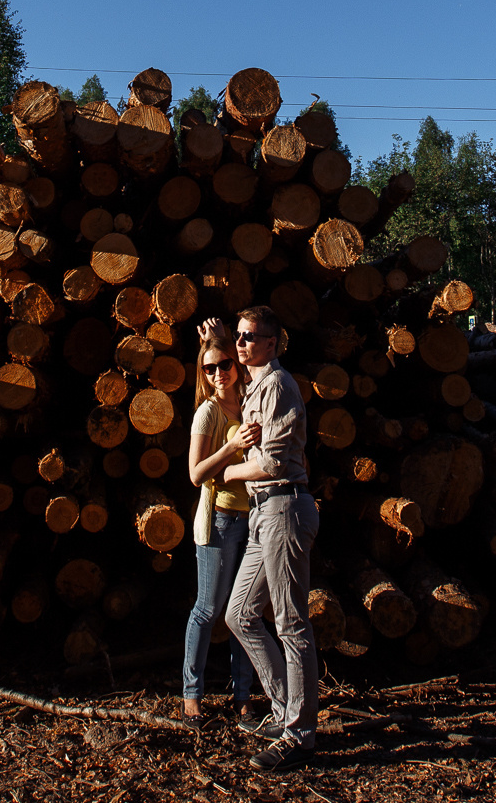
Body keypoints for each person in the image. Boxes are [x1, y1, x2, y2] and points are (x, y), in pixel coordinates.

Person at [215, 304, 319, 773]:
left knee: (291, 623)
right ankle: (284, 710)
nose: (242, 344)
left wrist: (229, 468)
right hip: (262, 513)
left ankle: (299, 734)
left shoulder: (278, 385)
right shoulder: (256, 384)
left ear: (273, 343)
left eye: (251, 337)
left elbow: (272, 463)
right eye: (239, 335)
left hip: (282, 505)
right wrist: (212, 338)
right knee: (239, 614)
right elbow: (215, 374)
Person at [181, 326, 259, 720]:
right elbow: (195, 474)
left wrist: (225, 334)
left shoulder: (248, 402)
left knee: (242, 612)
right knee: (208, 609)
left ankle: (242, 695)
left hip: (255, 519)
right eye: (209, 369)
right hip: (220, 521)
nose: (217, 374)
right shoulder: (207, 412)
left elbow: (254, 356)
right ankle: (191, 694)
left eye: (224, 365)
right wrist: (231, 447)